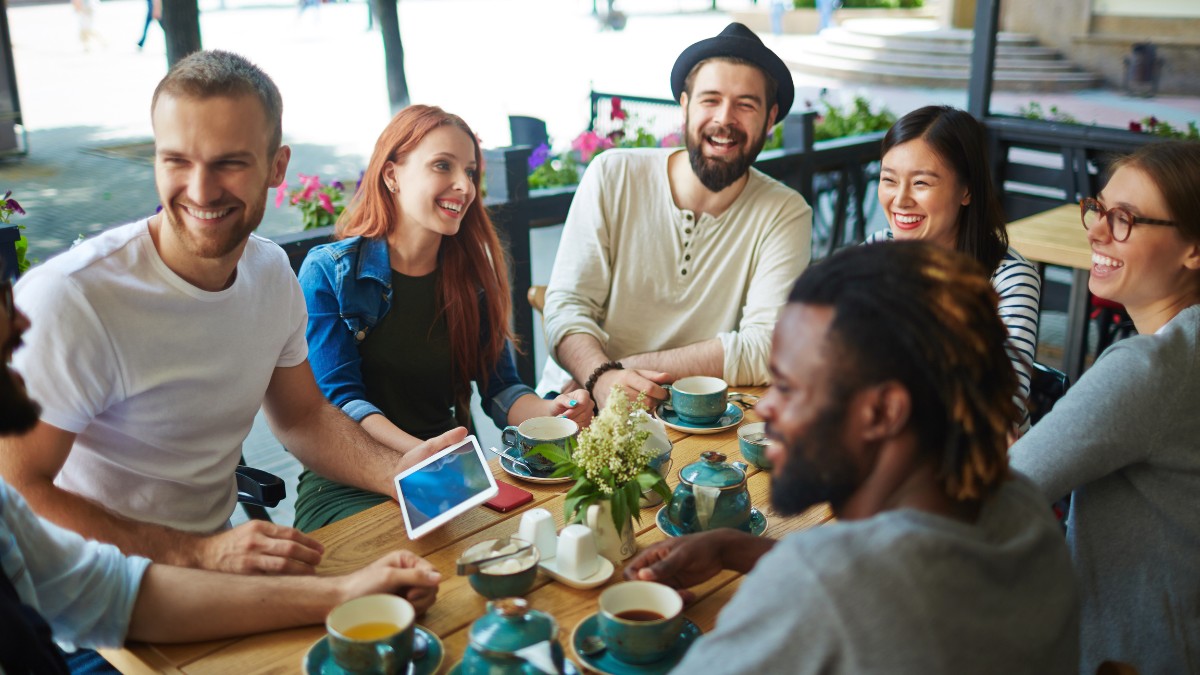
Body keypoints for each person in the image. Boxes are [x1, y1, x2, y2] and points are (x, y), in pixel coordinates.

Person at [0, 50, 463, 576]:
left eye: (229, 163)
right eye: (177, 161)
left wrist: (397, 473)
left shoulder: (269, 273)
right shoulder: (70, 299)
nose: (200, 190)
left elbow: (303, 416)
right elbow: (15, 490)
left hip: (208, 572)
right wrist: (193, 553)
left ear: (277, 167)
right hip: (80, 603)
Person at [626, 242, 1079, 674]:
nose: (766, 408)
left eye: (788, 386)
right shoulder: (1022, 509)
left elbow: (844, 587)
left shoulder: (820, 587)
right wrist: (735, 548)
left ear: (883, 411)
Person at [0, 272, 441, 673]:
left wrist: (346, 593)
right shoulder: (68, 297)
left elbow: (119, 595)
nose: (24, 326)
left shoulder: (9, 519)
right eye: (4, 303)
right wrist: (200, 555)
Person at [294, 105, 592, 531]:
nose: (463, 186)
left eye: (470, 171)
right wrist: (426, 454)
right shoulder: (329, 272)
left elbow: (502, 388)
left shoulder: (471, 277)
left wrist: (554, 411)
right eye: (442, 166)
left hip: (445, 473)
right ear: (392, 175)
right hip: (349, 481)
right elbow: (341, 401)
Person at [538, 22, 812, 410]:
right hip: (575, 397)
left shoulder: (785, 212)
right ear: (684, 107)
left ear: (770, 120)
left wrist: (619, 372)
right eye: (710, 99)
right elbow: (567, 305)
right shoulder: (613, 174)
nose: (725, 118)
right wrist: (597, 378)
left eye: (746, 104)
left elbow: (768, 345)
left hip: (691, 415)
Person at [1009, 141, 1200, 674]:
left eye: (1125, 219)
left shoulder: (1150, 367)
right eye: (1098, 208)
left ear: (1194, 249)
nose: (1093, 230)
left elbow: (992, 492)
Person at [867, 105, 1041, 429]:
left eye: (921, 183)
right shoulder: (877, 250)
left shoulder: (1009, 280)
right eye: (889, 180)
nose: (900, 199)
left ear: (967, 189)